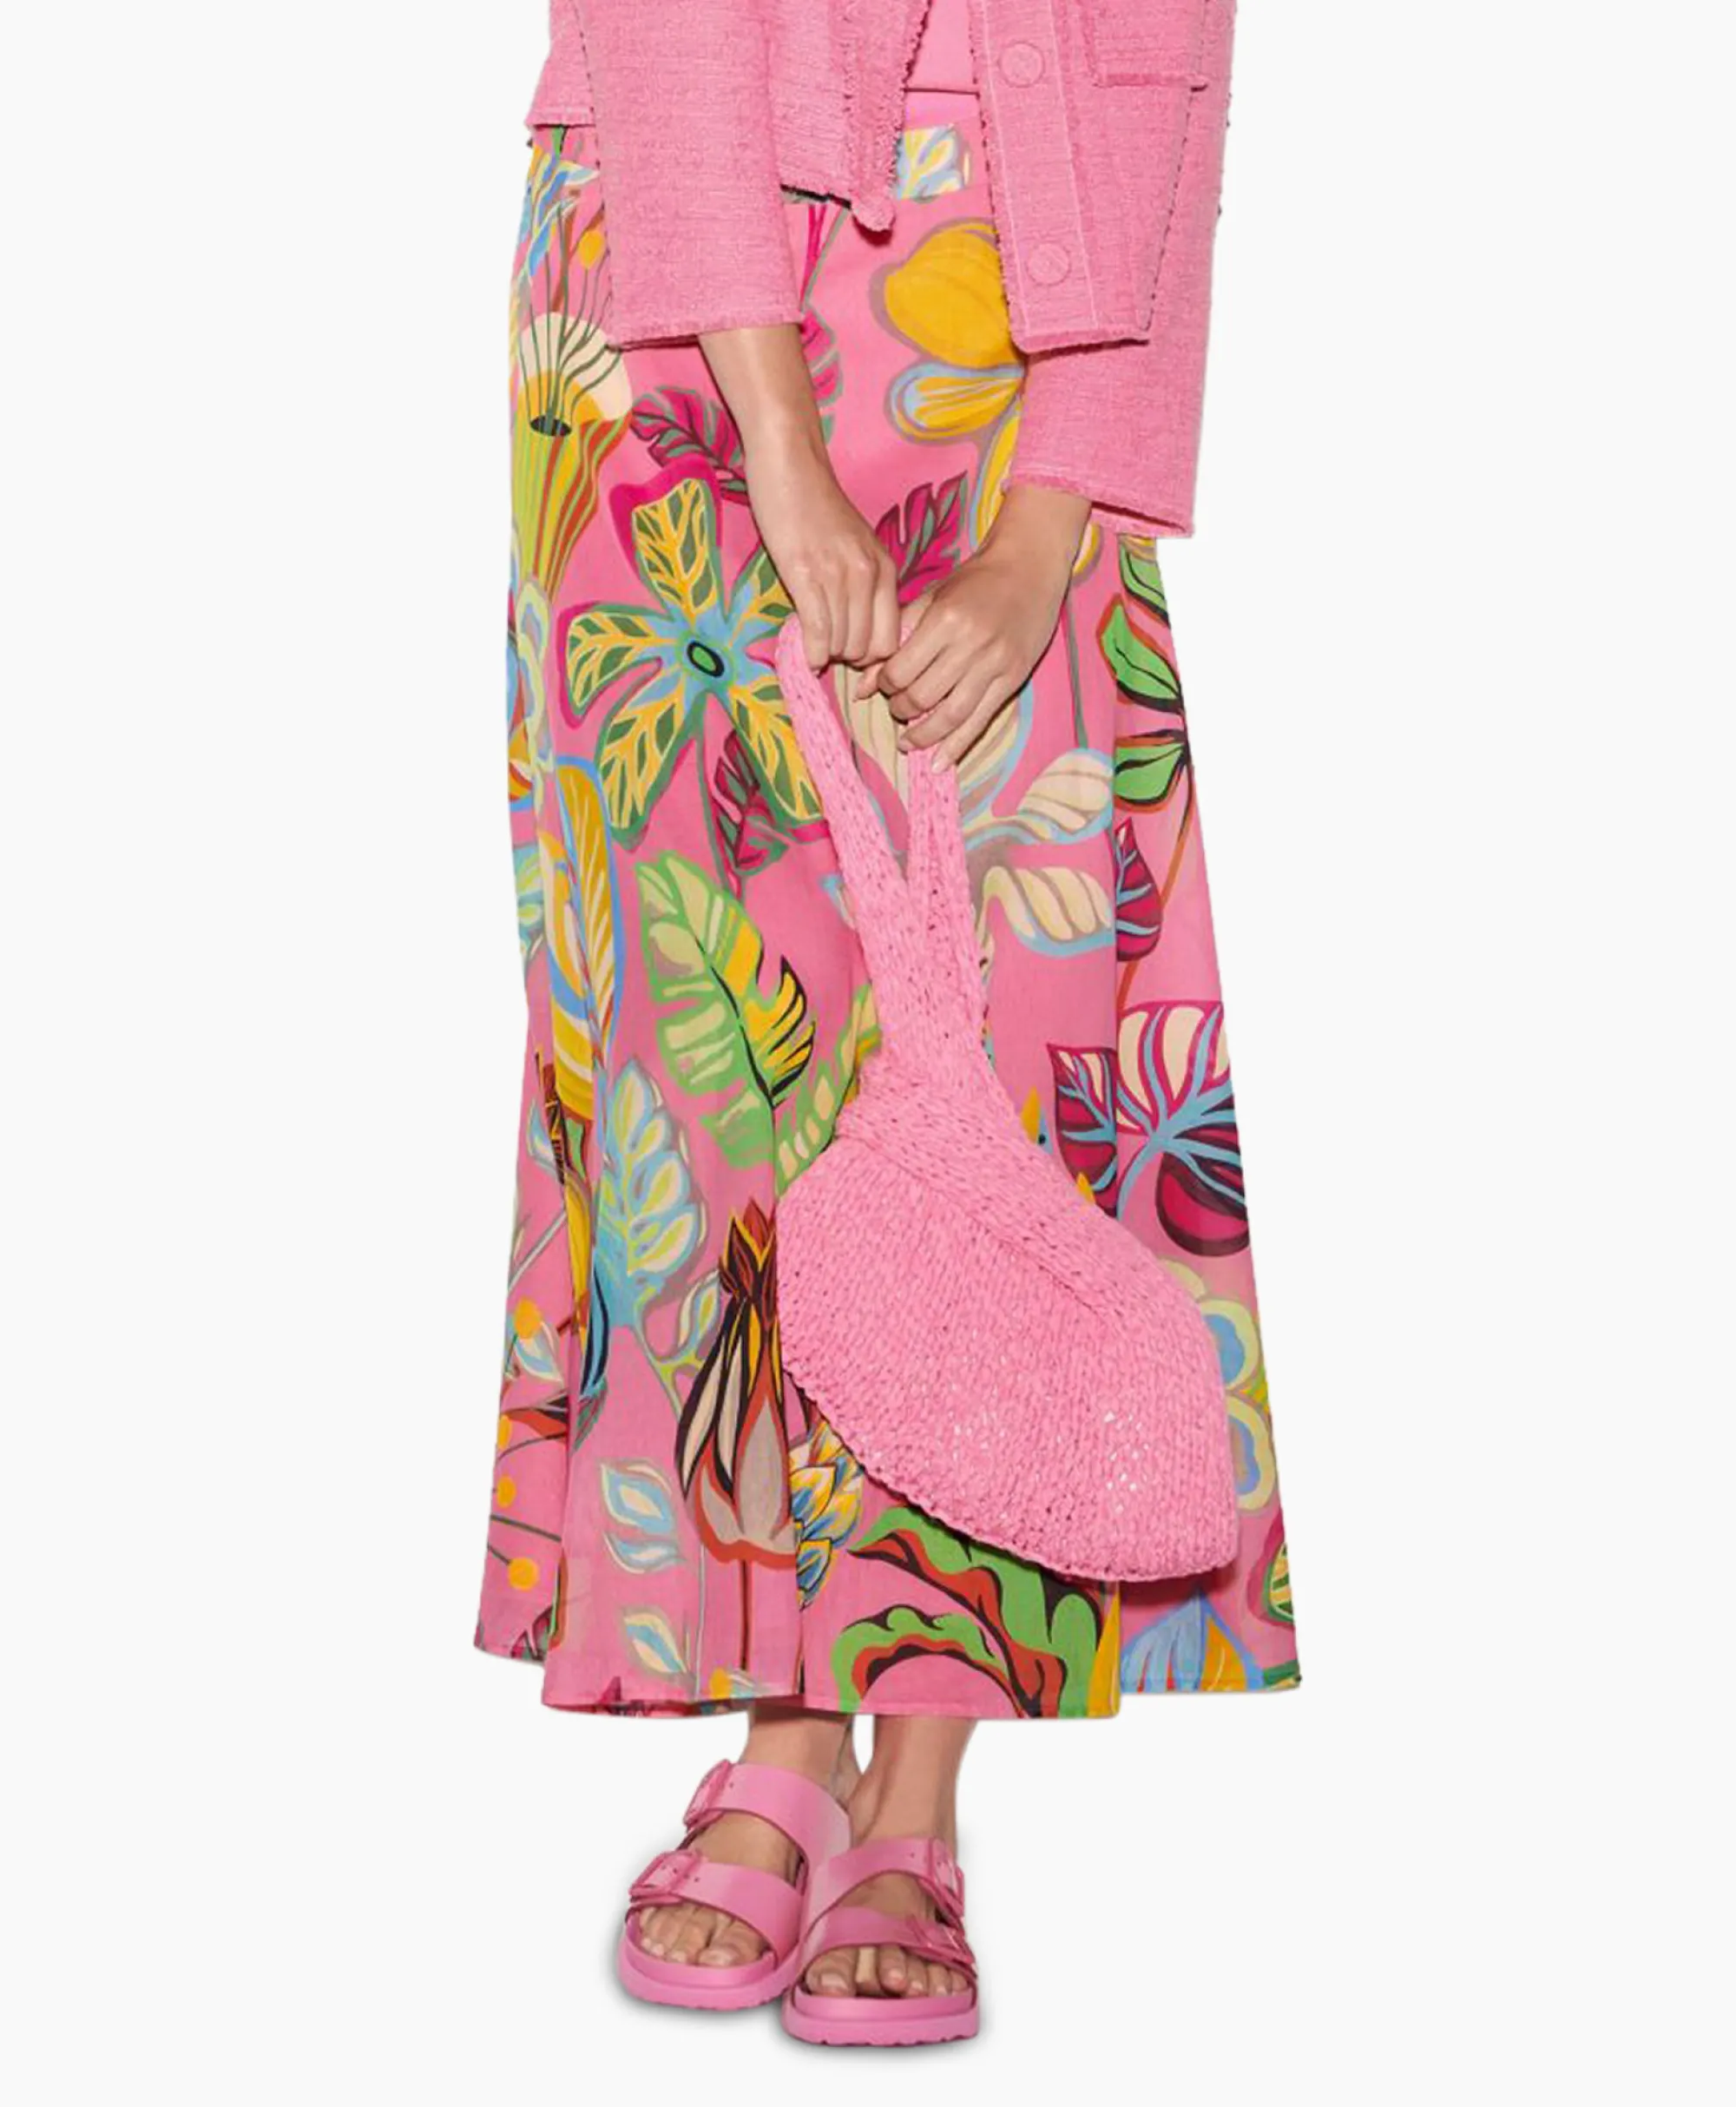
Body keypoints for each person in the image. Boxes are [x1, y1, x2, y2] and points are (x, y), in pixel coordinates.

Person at [478, 0, 1298, 2045]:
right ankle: (777, 1720)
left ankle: (915, 1768)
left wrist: (1057, 514)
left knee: (1006, 1018)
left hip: (1036, 285)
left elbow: (1173, 49)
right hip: (675, 266)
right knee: (715, 1019)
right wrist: (772, 439)